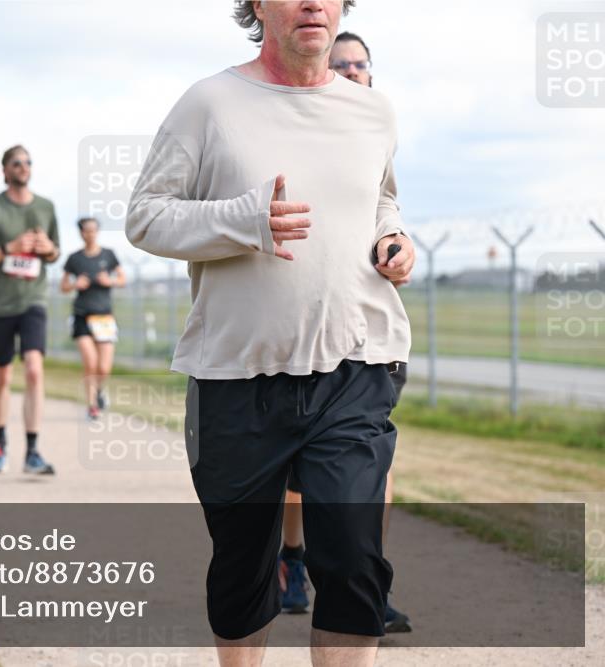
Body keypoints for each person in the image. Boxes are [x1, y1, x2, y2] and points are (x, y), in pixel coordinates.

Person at [126, 2, 416, 665]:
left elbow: (382, 197)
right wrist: (243, 220)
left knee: (354, 561)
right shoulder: (210, 103)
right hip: (237, 374)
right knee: (242, 572)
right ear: (258, 4)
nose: (313, 3)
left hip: (355, 366)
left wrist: (394, 238)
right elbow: (145, 217)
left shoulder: (374, 111)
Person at [278, 29, 413, 635]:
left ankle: (367, 585)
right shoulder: (294, 131)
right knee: (298, 481)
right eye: (343, 64)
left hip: (367, 337)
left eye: (363, 64)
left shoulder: (377, 132)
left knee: (369, 469)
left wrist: (397, 241)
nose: (354, 72)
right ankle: (292, 559)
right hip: (299, 334)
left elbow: (387, 203)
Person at [0, 144, 59, 475]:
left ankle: (32, 451)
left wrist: (48, 249)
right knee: (3, 374)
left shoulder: (46, 207)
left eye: (28, 162)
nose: (23, 167)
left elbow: (54, 253)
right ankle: (0, 439)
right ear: (5, 170)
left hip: (33, 299)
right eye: (17, 163)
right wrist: (9, 248)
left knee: (34, 368)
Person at [60, 217, 126, 420]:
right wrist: (75, 284)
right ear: (81, 233)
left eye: (93, 230)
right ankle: (92, 406)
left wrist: (109, 281)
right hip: (82, 316)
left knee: (104, 367)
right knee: (90, 362)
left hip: (104, 317)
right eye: (86, 230)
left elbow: (122, 279)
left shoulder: (108, 255)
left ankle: (99, 391)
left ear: (98, 232)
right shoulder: (74, 258)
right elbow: (63, 286)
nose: (90, 234)